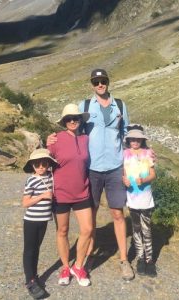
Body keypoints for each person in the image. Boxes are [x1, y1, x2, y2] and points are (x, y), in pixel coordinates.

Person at [47, 69, 134, 281]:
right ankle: (88, 256)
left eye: (103, 81)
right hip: (92, 169)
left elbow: (127, 136)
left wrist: (140, 158)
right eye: (96, 81)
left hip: (114, 167)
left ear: (108, 82)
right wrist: (52, 140)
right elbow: (74, 131)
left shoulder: (120, 106)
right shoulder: (85, 106)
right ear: (92, 84)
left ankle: (124, 260)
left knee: (118, 214)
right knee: (91, 216)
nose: (100, 84)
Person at [47, 104, 93, 287]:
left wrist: (142, 153)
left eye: (75, 118)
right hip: (61, 194)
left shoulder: (86, 139)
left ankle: (78, 266)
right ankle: (66, 267)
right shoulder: (55, 139)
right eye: (68, 119)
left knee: (88, 229)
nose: (72, 121)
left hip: (82, 191)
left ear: (80, 120)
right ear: (64, 122)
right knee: (62, 231)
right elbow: (43, 161)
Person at [22, 148, 58, 299]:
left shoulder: (51, 176)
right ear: (32, 166)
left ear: (49, 164)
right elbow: (25, 202)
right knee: (29, 250)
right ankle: (30, 281)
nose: (41, 166)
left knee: (36, 249)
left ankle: (34, 276)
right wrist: (43, 196)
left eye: (44, 163)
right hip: (31, 221)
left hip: (43, 220)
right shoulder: (31, 180)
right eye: (37, 164)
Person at [122, 126, 157, 277]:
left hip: (146, 198)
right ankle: (141, 259)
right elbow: (122, 173)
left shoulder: (148, 153)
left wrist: (143, 180)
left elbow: (153, 174)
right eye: (132, 139)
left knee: (146, 229)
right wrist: (124, 180)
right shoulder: (124, 154)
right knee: (136, 229)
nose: (135, 141)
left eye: (137, 139)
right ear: (128, 140)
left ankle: (150, 260)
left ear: (142, 140)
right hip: (132, 199)